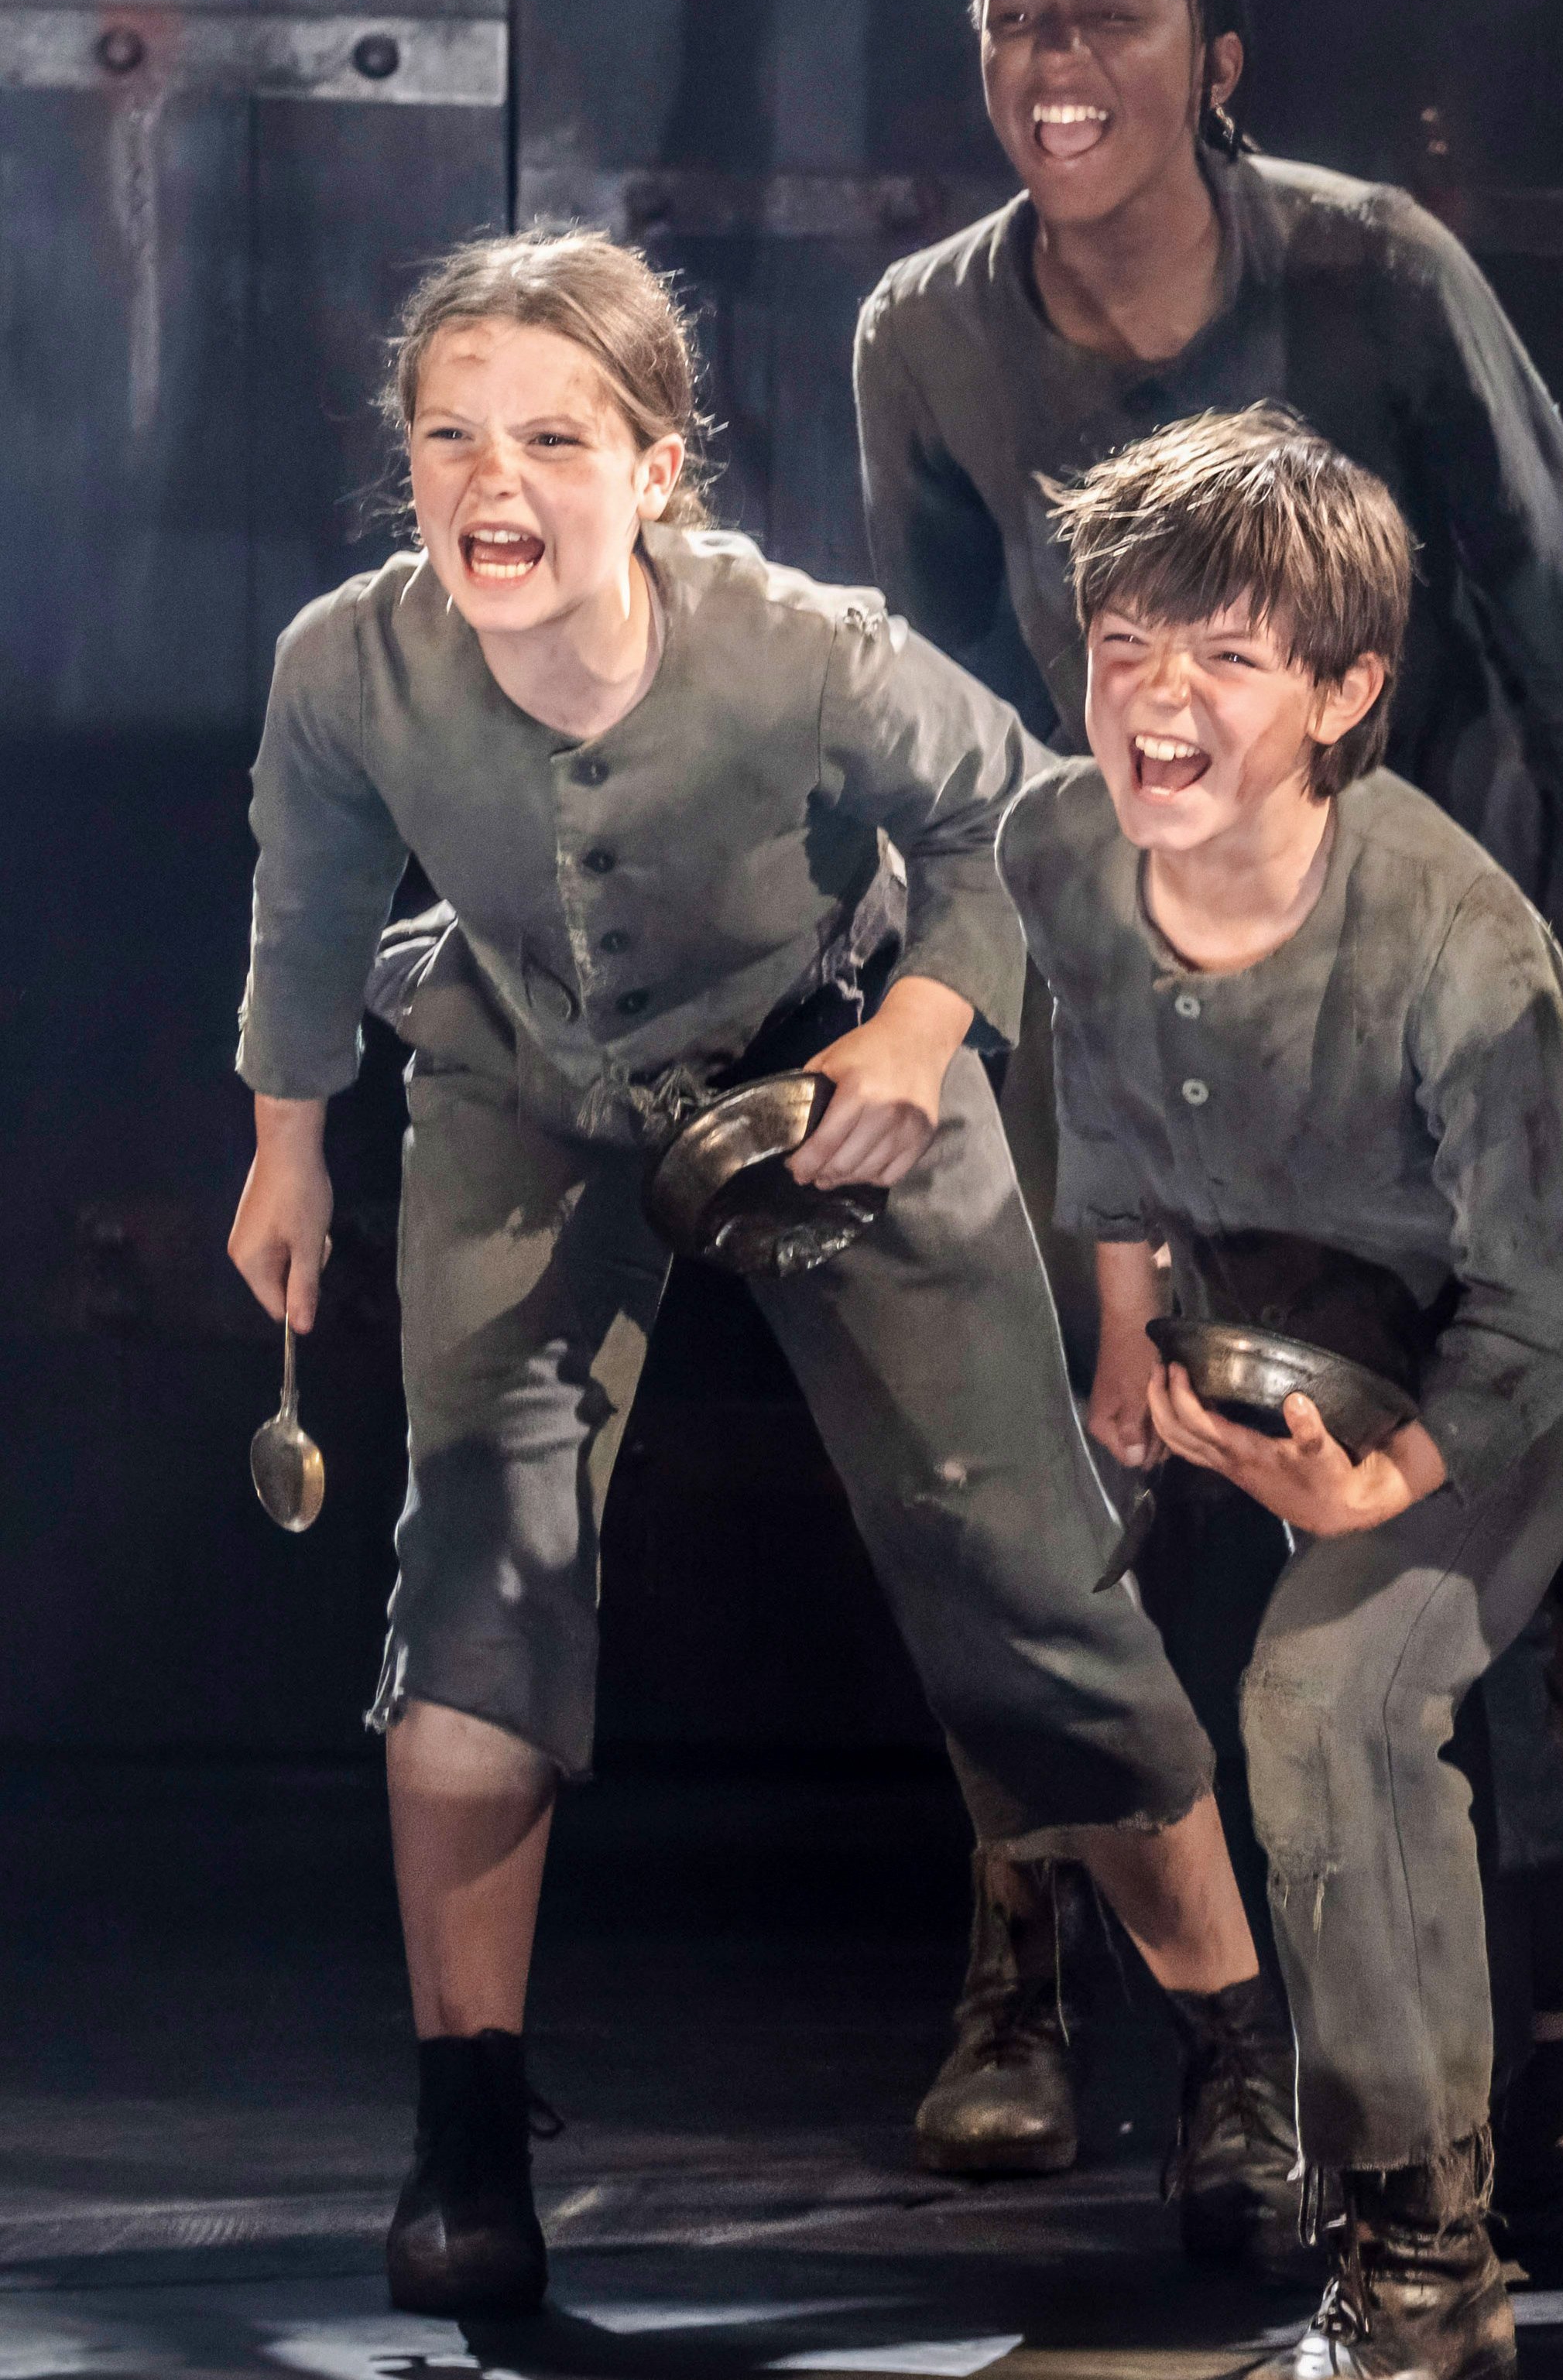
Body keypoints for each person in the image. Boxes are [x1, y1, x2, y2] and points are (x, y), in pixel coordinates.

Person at [225, 228, 1284, 2316]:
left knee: (1022, 1575)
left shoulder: (805, 650)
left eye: (550, 435)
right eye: (448, 438)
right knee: (478, 1572)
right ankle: (463, 2137)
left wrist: (914, 1035)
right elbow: (311, 885)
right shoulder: (348, 662)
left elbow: (1025, 827)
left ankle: (1242, 2064)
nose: (491, 484)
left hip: (837, 1074)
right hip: (531, 1087)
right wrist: (283, 1143)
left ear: (656, 463)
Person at [851, 0, 1563, 2238]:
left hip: (1405, 985)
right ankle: (1052, 1974)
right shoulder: (932, 333)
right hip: (1125, 965)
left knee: (1457, 1531)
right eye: (1015, 12)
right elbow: (944, 728)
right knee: (1041, 1474)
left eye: (1106, 10)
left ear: (1215, 63)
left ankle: (1553, 2076)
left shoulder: (1368, 275)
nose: (1051, 59)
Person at [996, 407, 1563, 2379]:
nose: (1156, 694)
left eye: (1225, 654)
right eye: (1126, 643)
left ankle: (1419, 2246)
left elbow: (1547, 1282)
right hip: (1319, 1315)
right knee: (1340, 1696)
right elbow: (1117, 1106)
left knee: (1332, 1696)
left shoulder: (1451, 939)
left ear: (1341, 692)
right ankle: (1532, 2152)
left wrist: (1394, 1475)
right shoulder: (1061, 843)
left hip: (1543, 1329)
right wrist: (1130, 1333)